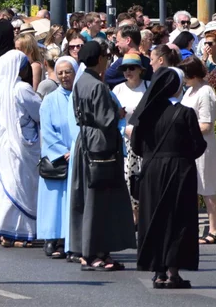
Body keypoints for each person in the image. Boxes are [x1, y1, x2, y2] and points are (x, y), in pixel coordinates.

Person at [129, 68, 207, 289]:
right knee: (177, 218)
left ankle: (158, 272)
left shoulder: (145, 113)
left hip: (151, 171)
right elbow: (199, 145)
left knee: (153, 218)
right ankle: (174, 272)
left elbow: (136, 146)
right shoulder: (185, 113)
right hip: (179, 170)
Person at [68, 40, 136, 271]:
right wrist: (118, 112)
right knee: (100, 201)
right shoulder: (97, 86)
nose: (107, 60)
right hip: (100, 146)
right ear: (99, 59)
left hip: (85, 142)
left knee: (88, 199)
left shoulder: (81, 82)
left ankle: (91, 250)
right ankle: (94, 253)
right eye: (105, 57)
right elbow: (106, 119)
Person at [0, 27, 41, 247]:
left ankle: (2, 230)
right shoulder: (21, 89)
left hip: (1, 143)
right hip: (22, 144)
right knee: (22, 186)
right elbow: (40, 112)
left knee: (3, 186)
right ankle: (19, 232)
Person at [179, 56, 216, 245]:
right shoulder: (190, 91)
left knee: (207, 187)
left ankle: (214, 230)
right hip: (189, 145)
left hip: (202, 146)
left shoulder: (205, 92)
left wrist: (185, 126)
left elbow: (207, 125)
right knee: (193, 188)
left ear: (194, 74)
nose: (183, 79)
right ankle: (193, 228)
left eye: (186, 75)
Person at [37, 57, 76, 259]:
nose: (64, 76)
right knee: (54, 201)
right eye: (60, 72)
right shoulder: (50, 100)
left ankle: (68, 239)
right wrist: (63, 152)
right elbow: (47, 131)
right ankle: (51, 237)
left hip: (77, 156)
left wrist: (77, 149)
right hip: (58, 158)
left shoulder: (81, 97)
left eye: (68, 71)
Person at [113, 52, 149, 224]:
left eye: (132, 68)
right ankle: (132, 218)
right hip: (125, 142)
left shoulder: (148, 87)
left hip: (145, 141)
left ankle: (143, 215)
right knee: (128, 178)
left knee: (145, 178)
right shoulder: (117, 89)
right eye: (125, 69)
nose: (128, 71)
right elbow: (113, 116)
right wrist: (124, 129)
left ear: (140, 70)